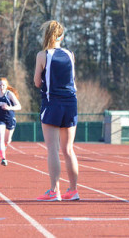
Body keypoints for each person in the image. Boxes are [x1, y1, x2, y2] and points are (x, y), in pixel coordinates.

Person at [34, 20, 80, 202]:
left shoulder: (42, 55)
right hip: (71, 103)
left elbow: (37, 82)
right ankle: (73, 190)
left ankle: (54, 191)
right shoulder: (70, 54)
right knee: (68, 149)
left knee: (53, 149)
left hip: (52, 103)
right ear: (62, 36)